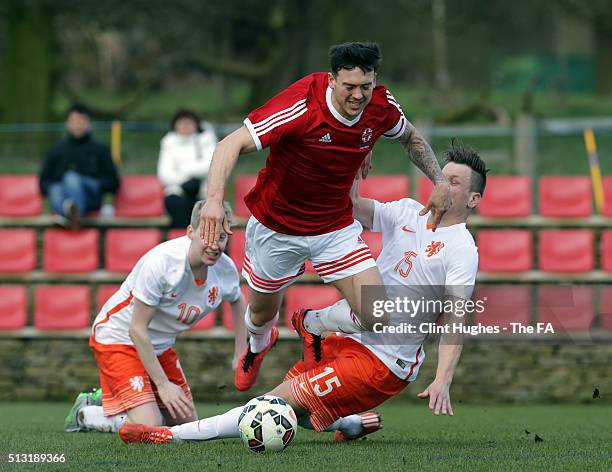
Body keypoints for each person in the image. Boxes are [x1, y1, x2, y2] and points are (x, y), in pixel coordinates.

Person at [117, 142, 487, 445]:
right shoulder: (409, 211)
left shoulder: (461, 249)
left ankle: (167, 435)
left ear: (472, 200)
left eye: (453, 181)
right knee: (297, 409)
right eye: (441, 174)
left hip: (383, 362)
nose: (440, 181)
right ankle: (351, 422)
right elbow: (353, 209)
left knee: (270, 406)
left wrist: (443, 379)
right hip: (350, 338)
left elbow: (456, 316)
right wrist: (353, 159)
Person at [199, 41, 453, 392]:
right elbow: (228, 144)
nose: (358, 95)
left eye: (365, 86)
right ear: (332, 80)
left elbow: (410, 137)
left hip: (334, 227)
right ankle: (256, 346)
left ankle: (313, 324)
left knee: (376, 315)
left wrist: (439, 180)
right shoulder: (301, 104)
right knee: (260, 313)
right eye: (349, 87)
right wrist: (213, 200)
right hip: (278, 227)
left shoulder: (380, 103)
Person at [64, 200, 247, 433]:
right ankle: (88, 412)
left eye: (221, 237)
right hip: (118, 337)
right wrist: (162, 385)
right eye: (207, 235)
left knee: (186, 425)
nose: (214, 245)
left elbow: (238, 300)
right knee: (150, 425)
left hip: (158, 347)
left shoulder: (224, 269)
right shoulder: (162, 263)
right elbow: (137, 329)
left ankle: (122, 398)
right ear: (190, 232)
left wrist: (240, 353)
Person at [39, 103, 120, 229]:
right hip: (61, 195)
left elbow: (113, 182)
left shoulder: (100, 149)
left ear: (89, 124)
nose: (77, 125)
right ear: (67, 123)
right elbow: (43, 182)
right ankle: (72, 216)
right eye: (74, 121)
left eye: (81, 121)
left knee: (71, 178)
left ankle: (71, 216)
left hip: (90, 196)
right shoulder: (56, 150)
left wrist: (92, 183)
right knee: (56, 188)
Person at [158, 109, 218, 228]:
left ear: (196, 125)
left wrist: (182, 169)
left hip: (204, 192)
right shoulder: (168, 143)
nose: (185, 126)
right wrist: (186, 181)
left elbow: (210, 166)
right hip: (177, 191)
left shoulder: (206, 140)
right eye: (181, 123)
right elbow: (165, 175)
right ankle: (181, 243)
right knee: (178, 206)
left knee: (208, 210)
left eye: (188, 123)